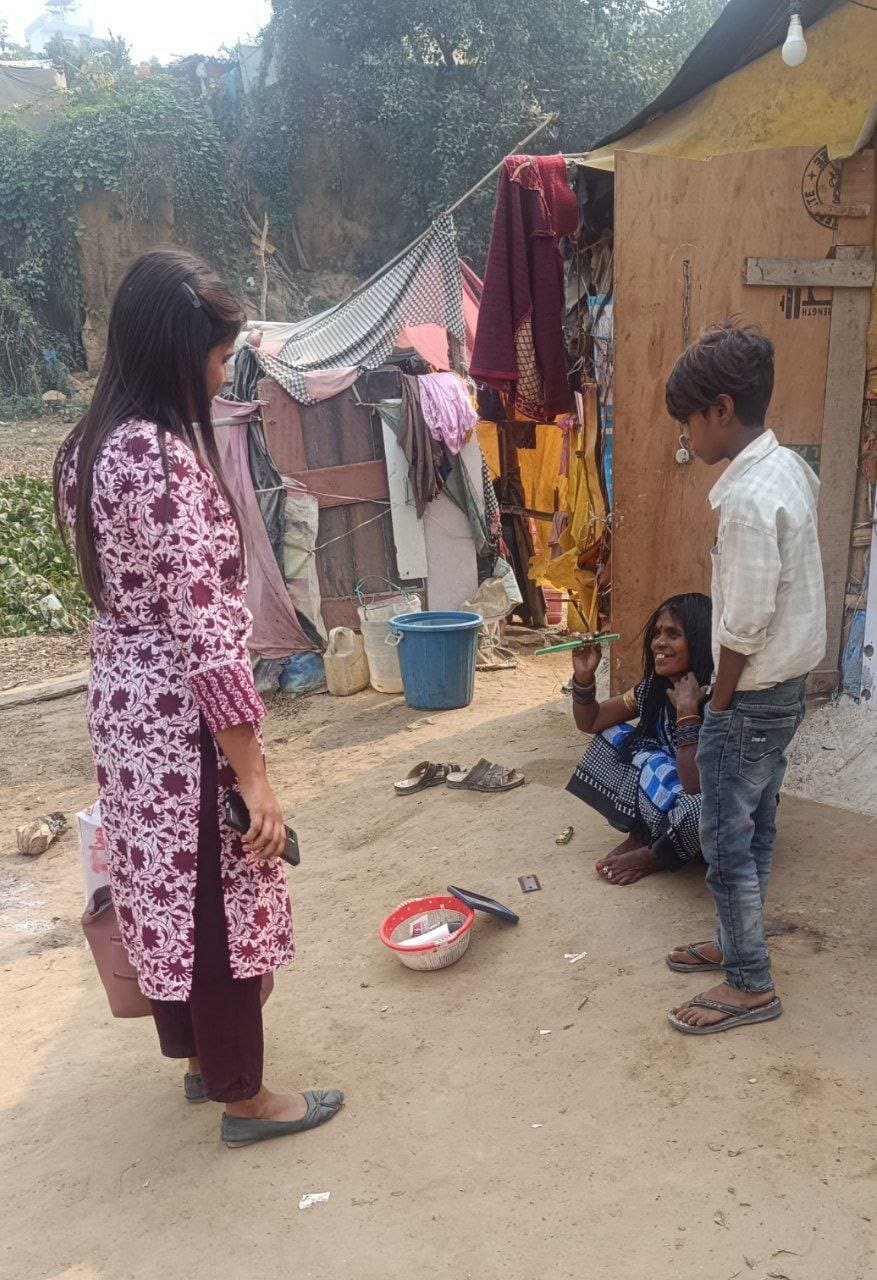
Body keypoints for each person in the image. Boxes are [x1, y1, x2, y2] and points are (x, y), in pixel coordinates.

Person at [54, 248, 343, 1145]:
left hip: (124, 708)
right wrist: (253, 775)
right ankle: (243, 1096)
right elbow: (208, 639)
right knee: (218, 896)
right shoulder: (163, 461)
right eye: (217, 360)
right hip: (182, 720)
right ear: (177, 355)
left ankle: (194, 1058)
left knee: (162, 886)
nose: (222, 377)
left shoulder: (84, 448)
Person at [662, 321, 825, 1035]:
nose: (686, 435)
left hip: (751, 698)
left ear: (721, 409)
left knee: (724, 842)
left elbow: (744, 624)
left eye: (689, 420)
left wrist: (717, 702)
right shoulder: (788, 468)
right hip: (783, 692)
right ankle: (738, 942)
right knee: (753, 826)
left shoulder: (749, 501)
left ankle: (749, 983)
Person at [566, 593, 713, 886]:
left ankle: (655, 855)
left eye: (673, 634)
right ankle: (645, 833)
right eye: (657, 633)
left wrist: (687, 712)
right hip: (678, 792)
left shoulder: (718, 699)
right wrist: (583, 678)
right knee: (614, 737)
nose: (659, 643)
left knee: (702, 806)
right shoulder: (653, 689)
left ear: (698, 641)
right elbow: (591, 722)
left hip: (714, 812)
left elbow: (695, 785)